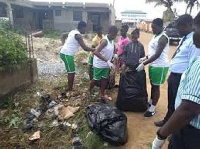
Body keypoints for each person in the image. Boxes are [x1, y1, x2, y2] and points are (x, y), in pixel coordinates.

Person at [152, 12, 200, 149]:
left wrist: (161, 136)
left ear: (191, 26)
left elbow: (188, 109)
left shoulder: (193, 43)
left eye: (196, 29)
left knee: (180, 106)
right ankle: (170, 121)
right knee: (173, 102)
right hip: (177, 75)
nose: (178, 30)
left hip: (191, 133)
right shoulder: (185, 39)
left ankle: (172, 126)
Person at [137, 18, 170, 117]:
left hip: (160, 66)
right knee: (153, 84)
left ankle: (152, 109)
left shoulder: (163, 38)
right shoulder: (155, 36)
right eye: (152, 27)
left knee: (156, 87)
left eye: (154, 27)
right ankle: (151, 101)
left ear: (160, 26)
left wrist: (144, 64)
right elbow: (152, 53)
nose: (152, 29)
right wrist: (145, 58)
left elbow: (157, 54)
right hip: (153, 65)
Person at [116, 28, 148, 112]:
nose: (134, 37)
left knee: (138, 86)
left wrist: (142, 64)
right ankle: (124, 103)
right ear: (131, 36)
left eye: (136, 35)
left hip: (137, 69)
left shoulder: (141, 46)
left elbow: (142, 57)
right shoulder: (128, 45)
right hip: (128, 68)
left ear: (138, 36)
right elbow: (124, 55)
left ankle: (137, 103)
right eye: (133, 35)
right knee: (125, 86)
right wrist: (123, 64)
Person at [60, 21, 95, 92]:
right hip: (67, 54)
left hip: (65, 53)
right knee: (71, 72)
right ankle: (70, 89)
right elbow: (85, 48)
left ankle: (70, 87)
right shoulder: (78, 35)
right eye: (85, 29)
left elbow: (63, 35)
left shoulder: (73, 31)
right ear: (82, 27)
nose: (85, 30)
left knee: (70, 71)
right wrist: (94, 49)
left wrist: (63, 45)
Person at [90, 26, 118, 101]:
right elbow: (95, 52)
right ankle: (89, 91)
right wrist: (107, 61)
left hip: (107, 64)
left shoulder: (111, 41)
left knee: (104, 79)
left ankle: (102, 94)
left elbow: (112, 50)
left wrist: (114, 55)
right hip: (99, 64)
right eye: (114, 35)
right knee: (96, 79)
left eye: (115, 35)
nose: (115, 37)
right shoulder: (104, 41)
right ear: (110, 33)